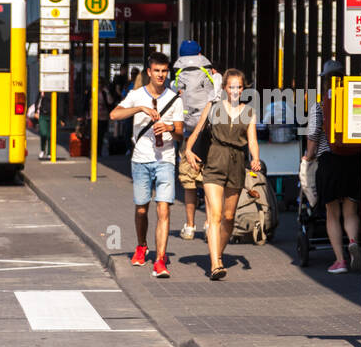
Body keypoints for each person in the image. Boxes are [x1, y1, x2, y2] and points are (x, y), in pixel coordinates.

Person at [109, 51, 184, 278]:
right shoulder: (136, 94)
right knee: (142, 208)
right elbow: (114, 115)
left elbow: (180, 133)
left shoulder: (175, 98)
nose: (160, 75)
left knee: (164, 209)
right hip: (141, 159)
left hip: (166, 160)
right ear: (149, 72)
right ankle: (142, 246)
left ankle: (160, 261)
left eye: (164, 71)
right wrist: (140, 109)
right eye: (157, 71)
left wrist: (170, 128)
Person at [183, 69, 261, 280]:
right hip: (215, 161)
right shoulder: (214, 107)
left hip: (236, 163)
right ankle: (215, 263)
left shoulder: (249, 112)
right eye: (231, 87)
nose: (235, 91)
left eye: (239, 87)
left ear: (243, 89)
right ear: (225, 88)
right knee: (215, 215)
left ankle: (218, 253)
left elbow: (252, 140)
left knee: (229, 217)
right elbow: (198, 130)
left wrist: (255, 158)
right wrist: (188, 150)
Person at [304, 60, 361, 274]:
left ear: (325, 81)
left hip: (329, 161)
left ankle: (340, 261)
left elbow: (312, 138)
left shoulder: (319, 106)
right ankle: (353, 241)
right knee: (351, 210)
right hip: (354, 160)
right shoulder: (353, 102)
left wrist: (307, 159)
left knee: (331, 213)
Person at [171, 40, 222, 240]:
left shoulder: (175, 77)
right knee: (209, 181)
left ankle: (190, 225)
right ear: (201, 53)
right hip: (209, 134)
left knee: (189, 182)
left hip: (186, 135)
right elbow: (217, 99)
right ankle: (209, 224)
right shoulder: (213, 74)